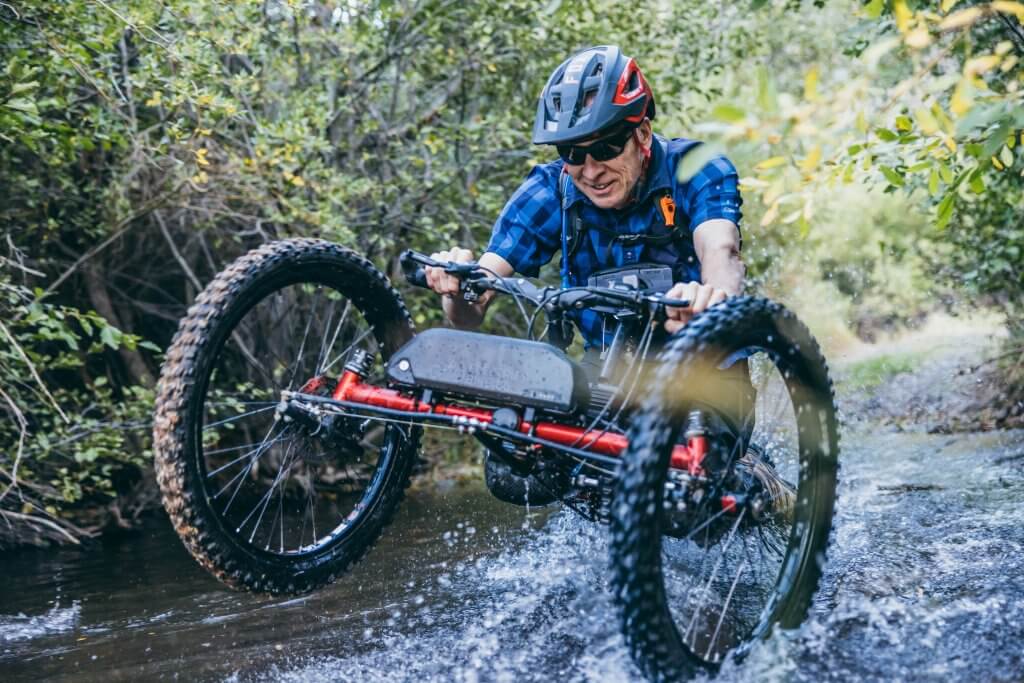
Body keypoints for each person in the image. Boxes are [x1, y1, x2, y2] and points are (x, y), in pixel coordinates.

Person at [423, 45, 749, 504]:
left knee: (686, 502)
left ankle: (757, 488)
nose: (590, 170)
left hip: (703, 372)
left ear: (642, 134)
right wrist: (455, 284)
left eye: (606, 147)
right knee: (515, 473)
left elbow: (721, 249)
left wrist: (709, 297)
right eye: (573, 152)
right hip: (606, 375)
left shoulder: (696, 168)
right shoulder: (551, 188)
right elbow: (471, 307)